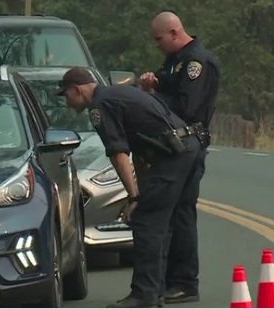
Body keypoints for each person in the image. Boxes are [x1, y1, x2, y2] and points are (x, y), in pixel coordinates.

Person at [55, 67, 201, 308]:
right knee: (175, 218)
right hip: (187, 146)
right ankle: (177, 285)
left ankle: (145, 294)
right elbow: (139, 149)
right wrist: (139, 192)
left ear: (78, 89)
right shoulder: (118, 94)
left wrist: (133, 198)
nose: (67, 102)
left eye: (66, 95)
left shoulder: (100, 107)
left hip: (172, 155)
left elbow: (119, 153)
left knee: (147, 222)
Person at [139, 11, 221, 305]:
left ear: (174, 33)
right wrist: (152, 85)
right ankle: (175, 280)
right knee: (176, 213)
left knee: (182, 213)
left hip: (188, 143)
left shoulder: (196, 62)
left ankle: (185, 282)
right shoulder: (175, 61)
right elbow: (167, 87)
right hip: (174, 146)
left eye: (159, 39)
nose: (156, 45)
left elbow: (188, 107)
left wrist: (152, 100)